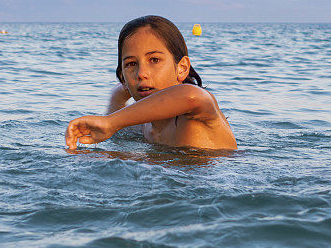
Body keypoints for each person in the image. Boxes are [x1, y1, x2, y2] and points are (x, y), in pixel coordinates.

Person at [66, 15, 237, 151]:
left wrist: (110, 122)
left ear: (182, 68)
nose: (141, 74)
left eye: (154, 60)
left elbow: (190, 96)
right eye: (131, 64)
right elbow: (118, 133)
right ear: (123, 78)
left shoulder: (197, 115)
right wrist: (117, 97)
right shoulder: (144, 126)